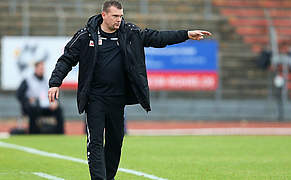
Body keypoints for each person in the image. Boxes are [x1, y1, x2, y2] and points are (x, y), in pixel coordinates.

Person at [48, 1, 212, 179]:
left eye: (121, 16)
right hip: (94, 98)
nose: (119, 20)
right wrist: (55, 82)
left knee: (115, 142)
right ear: (104, 15)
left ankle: (108, 177)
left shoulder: (130, 33)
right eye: (115, 16)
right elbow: (66, 59)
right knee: (95, 141)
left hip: (117, 99)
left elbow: (157, 38)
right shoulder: (86, 35)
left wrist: (186, 34)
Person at [17, 60, 64, 134]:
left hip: (46, 106)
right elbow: (19, 94)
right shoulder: (28, 80)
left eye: (43, 68)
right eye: (40, 68)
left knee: (58, 109)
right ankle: (33, 133)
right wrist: (28, 100)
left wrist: (55, 101)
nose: (42, 70)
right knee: (33, 109)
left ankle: (59, 133)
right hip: (34, 107)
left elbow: (53, 93)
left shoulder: (47, 81)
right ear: (35, 69)